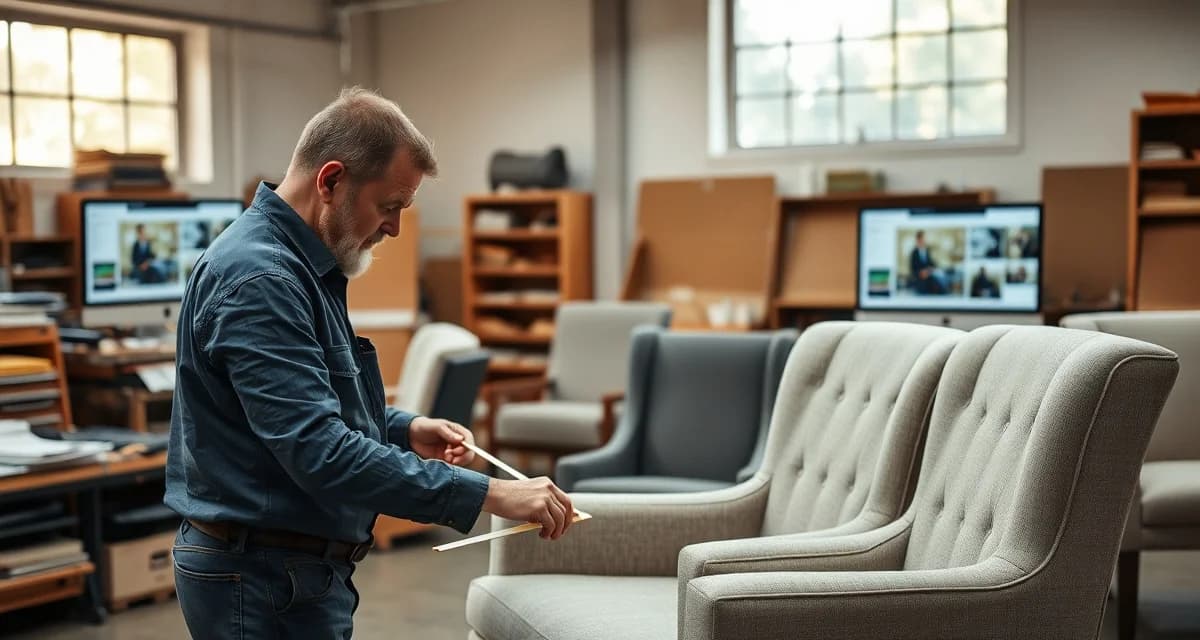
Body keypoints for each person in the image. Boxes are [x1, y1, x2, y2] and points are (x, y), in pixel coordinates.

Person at [165, 87, 575, 640]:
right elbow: (319, 449)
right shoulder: (262, 281)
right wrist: (492, 494)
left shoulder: (303, 266)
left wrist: (403, 429)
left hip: (288, 573)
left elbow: (308, 407)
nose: (395, 229)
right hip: (260, 581)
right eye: (390, 207)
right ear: (330, 181)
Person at [909, 230, 947, 294]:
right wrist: (921, 273)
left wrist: (933, 268)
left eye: (924, 239)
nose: (924, 240)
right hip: (920, 278)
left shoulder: (927, 250)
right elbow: (912, 269)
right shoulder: (914, 253)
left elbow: (931, 263)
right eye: (923, 239)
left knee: (939, 283)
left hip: (929, 275)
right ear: (918, 240)